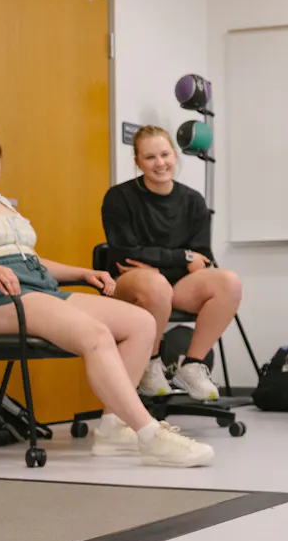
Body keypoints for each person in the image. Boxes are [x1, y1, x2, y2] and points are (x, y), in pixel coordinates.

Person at [0, 125, 214, 467]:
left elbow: (29, 259)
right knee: (93, 334)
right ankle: (149, 433)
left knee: (140, 323)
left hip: (36, 287)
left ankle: (114, 426)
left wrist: (81, 273)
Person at [101, 126, 243, 401]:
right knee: (155, 285)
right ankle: (149, 364)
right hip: (128, 283)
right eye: (150, 157)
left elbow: (202, 258)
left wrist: (159, 264)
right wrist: (181, 257)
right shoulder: (119, 198)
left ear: (175, 156)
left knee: (228, 281)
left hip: (171, 285)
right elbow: (126, 254)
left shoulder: (193, 200)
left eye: (165, 154)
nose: (160, 163)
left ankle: (191, 365)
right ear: (137, 162)